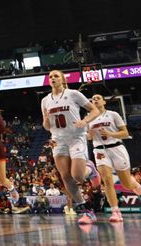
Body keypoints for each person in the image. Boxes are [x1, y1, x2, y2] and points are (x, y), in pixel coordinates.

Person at [41, 70, 102, 224]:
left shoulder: (74, 94)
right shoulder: (45, 101)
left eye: (56, 76)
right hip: (58, 140)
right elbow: (47, 126)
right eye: (51, 77)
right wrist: (46, 121)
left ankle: (91, 170)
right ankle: (86, 210)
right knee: (66, 177)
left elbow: (94, 110)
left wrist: (85, 121)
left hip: (76, 137)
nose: (53, 78)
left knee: (78, 176)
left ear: (62, 79)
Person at [87, 94, 141, 222]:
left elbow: (125, 133)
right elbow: (89, 138)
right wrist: (89, 133)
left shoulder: (113, 114)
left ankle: (133, 183)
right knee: (107, 180)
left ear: (104, 102)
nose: (94, 100)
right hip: (99, 150)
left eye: (97, 98)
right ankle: (115, 211)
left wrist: (110, 133)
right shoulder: (88, 118)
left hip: (116, 148)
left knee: (126, 184)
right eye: (92, 99)